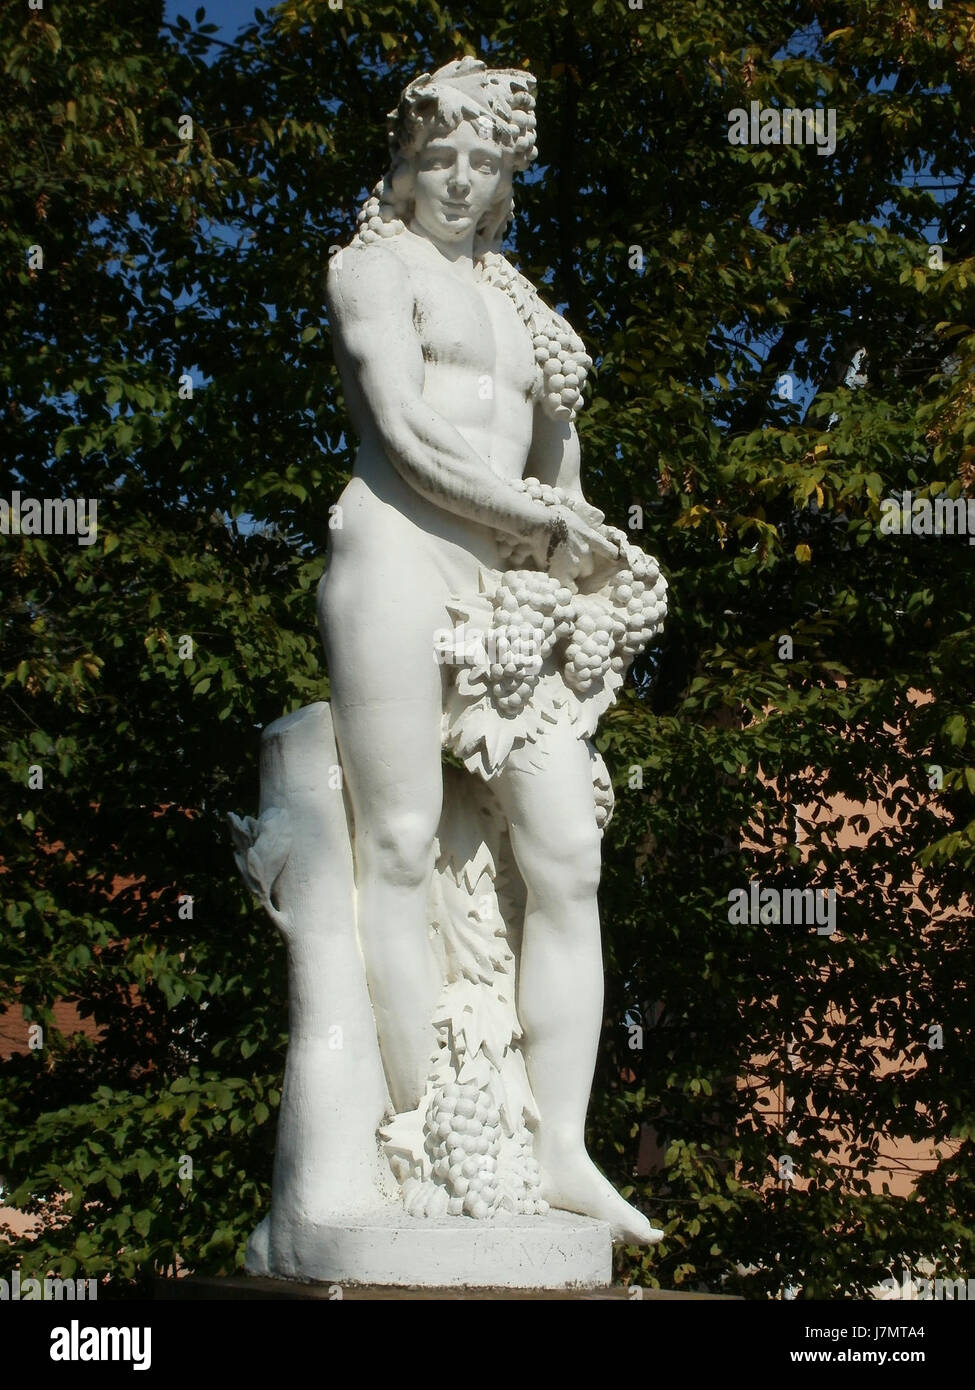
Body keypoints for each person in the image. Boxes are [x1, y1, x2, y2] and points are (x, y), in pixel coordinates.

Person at [318, 58, 659, 1243]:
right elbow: (405, 430)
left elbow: (561, 477)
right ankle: (422, 1137)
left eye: (483, 163)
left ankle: (557, 1144)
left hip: (508, 589)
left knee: (566, 853)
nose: (458, 181)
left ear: (509, 179)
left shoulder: (530, 313)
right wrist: (538, 518)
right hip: (400, 557)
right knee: (402, 843)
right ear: (402, 166)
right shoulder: (371, 266)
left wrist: (586, 568)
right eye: (435, 159)